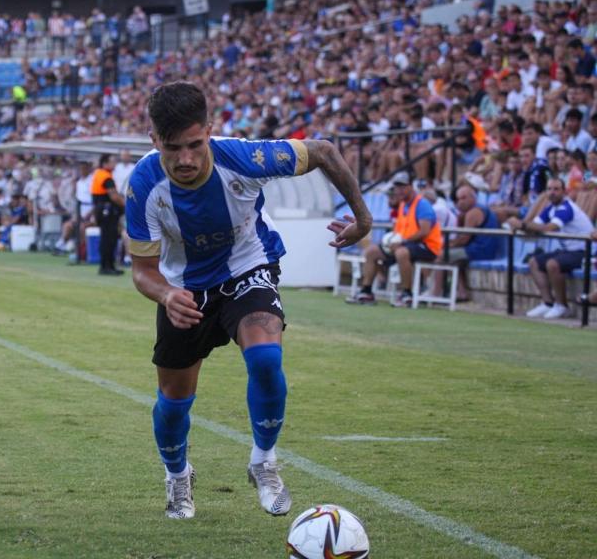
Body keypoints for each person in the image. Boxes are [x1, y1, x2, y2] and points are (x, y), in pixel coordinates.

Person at [126, 81, 371, 520]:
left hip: (247, 269)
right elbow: (142, 272)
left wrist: (364, 218)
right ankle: (178, 476)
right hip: (185, 290)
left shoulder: (244, 157)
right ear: (154, 141)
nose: (185, 159)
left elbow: (326, 152)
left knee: (264, 359)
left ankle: (264, 461)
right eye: (173, 148)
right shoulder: (143, 184)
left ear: (210, 130)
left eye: (195, 145)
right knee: (173, 403)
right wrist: (166, 295)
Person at [347, 171, 441, 307]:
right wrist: (390, 242)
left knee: (401, 253)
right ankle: (366, 292)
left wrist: (401, 242)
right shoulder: (403, 204)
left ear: (411, 186)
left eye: (403, 186)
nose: (399, 190)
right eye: (397, 187)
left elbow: (424, 231)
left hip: (427, 246)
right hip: (405, 244)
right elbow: (400, 231)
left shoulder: (422, 204)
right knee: (371, 251)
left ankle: (407, 295)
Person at [506, 177, 596, 319]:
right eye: (549, 189)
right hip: (568, 250)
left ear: (564, 191)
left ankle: (562, 306)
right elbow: (534, 225)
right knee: (534, 262)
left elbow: (549, 228)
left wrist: (521, 225)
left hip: (584, 250)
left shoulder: (567, 208)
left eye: (556, 189)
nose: (552, 193)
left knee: (552, 264)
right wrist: (519, 225)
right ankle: (548, 302)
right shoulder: (550, 209)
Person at [438, 184, 501, 301]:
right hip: (479, 249)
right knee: (454, 260)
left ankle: (435, 293)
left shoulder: (474, 212)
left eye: (464, 198)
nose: (460, 202)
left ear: (473, 198)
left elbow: (463, 240)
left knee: (441, 255)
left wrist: (447, 245)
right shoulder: (470, 212)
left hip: (482, 250)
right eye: (458, 199)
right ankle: (462, 292)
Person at [91, 153, 125, 275]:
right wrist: (127, 206)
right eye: (112, 161)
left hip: (100, 210)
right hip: (108, 211)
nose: (114, 163)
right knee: (109, 239)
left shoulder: (98, 174)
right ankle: (107, 267)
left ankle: (107, 266)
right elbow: (114, 197)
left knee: (106, 239)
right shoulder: (106, 177)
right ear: (105, 163)